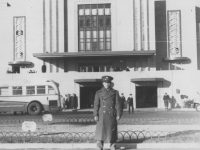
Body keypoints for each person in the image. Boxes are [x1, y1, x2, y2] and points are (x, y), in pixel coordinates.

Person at [93, 75, 122, 150]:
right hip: (101, 115)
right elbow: (96, 104)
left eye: (108, 82)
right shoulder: (98, 92)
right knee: (100, 133)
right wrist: (95, 114)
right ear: (103, 83)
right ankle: (99, 147)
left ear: (110, 83)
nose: (107, 84)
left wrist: (118, 114)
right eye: (105, 82)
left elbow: (118, 104)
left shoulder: (115, 92)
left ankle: (113, 147)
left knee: (111, 133)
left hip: (111, 115)